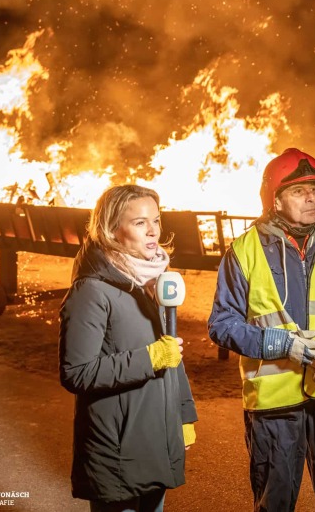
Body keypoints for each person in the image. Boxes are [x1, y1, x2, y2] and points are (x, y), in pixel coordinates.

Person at [207, 148, 315, 512]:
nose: (311, 198)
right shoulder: (244, 251)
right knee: (275, 500)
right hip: (273, 402)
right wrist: (280, 343)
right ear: (275, 199)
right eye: (300, 191)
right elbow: (222, 325)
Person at [59, 184, 198, 512]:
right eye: (140, 223)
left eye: (157, 220)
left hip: (155, 438)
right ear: (111, 230)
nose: (153, 231)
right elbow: (76, 372)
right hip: (117, 446)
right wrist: (150, 358)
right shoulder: (92, 291)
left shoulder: (152, 283)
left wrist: (184, 414)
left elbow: (171, 356)